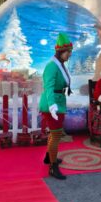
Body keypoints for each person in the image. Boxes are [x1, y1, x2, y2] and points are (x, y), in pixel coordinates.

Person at [39, 33, 73, 180]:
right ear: (61, 52)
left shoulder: (59, 65)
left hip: (58, 102)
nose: (70, 55)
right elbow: (49, 88)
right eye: (68, 52)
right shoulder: (52, 67)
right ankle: (53, 167)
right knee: (56, 135)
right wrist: (52, 106)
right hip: (52, 105)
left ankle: (49, 157)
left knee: (54, 134)